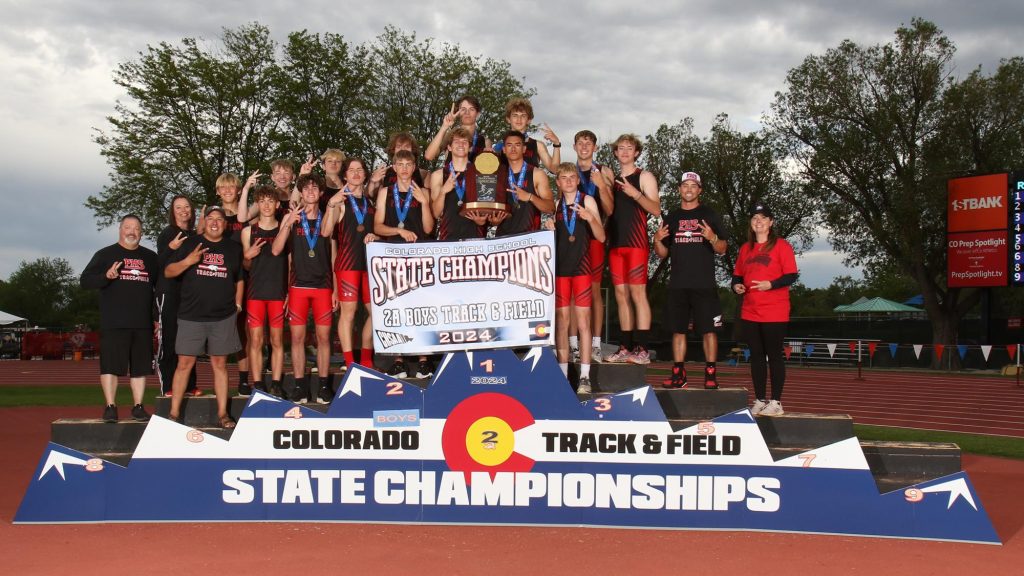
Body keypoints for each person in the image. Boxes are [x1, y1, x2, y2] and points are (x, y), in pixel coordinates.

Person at [164, 207, 243, 428]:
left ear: (225, 224)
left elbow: (239, 278)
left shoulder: (233, 248)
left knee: (220, 364)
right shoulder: (190, 243)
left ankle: (223, 415)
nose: (215, 222)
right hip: (192, 315)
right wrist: (188, 261)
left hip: (223, 316)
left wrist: (238, 303)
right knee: (184, 364)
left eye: (220, 219)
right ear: (204, 222)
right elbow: (168, 271)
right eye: (211, 219)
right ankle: (173, 414)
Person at [80, 215, 159, 423]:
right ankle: (110, 406)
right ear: (120, 230)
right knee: (110, 366)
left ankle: (138, 406)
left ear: (141, 232)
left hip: (142, 323)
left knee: (140, 368)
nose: (132, 231)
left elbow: (157, 291)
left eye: (136, 228)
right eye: (127, 227)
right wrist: (106, 277)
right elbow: (85, 281)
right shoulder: (105, 254)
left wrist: (156, 317)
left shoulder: (151, 258)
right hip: (114, 322)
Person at [653, 171, 728, 389]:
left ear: (699, 190)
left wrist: (712, 238)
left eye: (693, 186)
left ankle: (711, 373)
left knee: (708, 330)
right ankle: (679, 373)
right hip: (678, 284)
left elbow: (722, 249)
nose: (688, 189)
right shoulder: (672, 217)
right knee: (678, 330)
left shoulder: (710, 215)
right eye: (684, 185)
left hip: (704, 284)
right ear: (679, 189)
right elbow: (662, 253)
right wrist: (657, 240)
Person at [273, 173, 337, 404]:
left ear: (321, 193)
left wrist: (336, 289)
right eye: (306, 188)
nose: (310, 192)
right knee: (297, 338)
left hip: (323, 286)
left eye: (314, 188)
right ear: (300, 193)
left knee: (323, 338)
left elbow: (334, 256)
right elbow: (277, 251)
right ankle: (300, 386)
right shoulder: (292, 218)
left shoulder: (328, 216)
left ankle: (322, 386)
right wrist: (286, 225)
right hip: (298, 286)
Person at [373, 149, 435, 379]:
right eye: (400, 164)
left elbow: (429, 229)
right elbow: (377, 226)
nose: (405, 168)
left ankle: (423, 360)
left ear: (414, 167)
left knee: (421, 308)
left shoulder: (423, 191)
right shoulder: (384, 193)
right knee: (395, 309)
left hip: (418, 256)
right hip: (392, 256)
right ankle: (398, 360)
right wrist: (399, 230)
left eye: (409, 164)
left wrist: (424, 204)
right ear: (394, 167)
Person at [732, 204, 798, 416]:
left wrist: (771, 284)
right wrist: (736, 286)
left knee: (774, 355)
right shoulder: (745, 248)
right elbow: (737, 276)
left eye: (763, 218)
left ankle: (776, 402)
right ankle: (760, 399)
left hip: (774, 310)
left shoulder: (782, 246)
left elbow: (791, 275)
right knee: (757, 356)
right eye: (754, 218)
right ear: (750, 224)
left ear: (771, 222)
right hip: (750, 310)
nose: (758, 221)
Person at [545, 164, 605, 394]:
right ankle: (561, 377)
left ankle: (585, 377)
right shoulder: (557, 206)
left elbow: (600, 236)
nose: (569, 181)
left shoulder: (587, 200)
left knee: (583, 322)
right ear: (558, 182)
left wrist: (591, 218)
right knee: (561, 323)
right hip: (561, 270)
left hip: (581, 269)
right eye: (564, 178)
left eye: (572, 177)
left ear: (578, 181)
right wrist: (549, 229)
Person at [605, 134, 660, 364]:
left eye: (630, 148)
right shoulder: (613, 180)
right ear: (616, 153)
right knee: (620, 295)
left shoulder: (644, 176)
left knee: (638, 294)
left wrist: (635, 194)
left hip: (636, 244)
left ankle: (643, 349)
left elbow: (656, 209)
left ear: (636, 152)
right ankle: (625, 347)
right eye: (621, 148)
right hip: (616, 244)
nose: (625, 151)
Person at [326, 158, 379, 371]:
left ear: (365, 175)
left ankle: (366, 357)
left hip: (369, 265)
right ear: (345, 175)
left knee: (377, 312)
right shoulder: (339, 201)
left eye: (360, 170)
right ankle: (350, 362)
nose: (356, 173)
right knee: (348, 313)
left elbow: (377, 229)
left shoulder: (371, 203)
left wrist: (376, 235)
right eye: (351, 170)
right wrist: (331, 205)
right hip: (347, 264)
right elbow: (325, 232)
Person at [568, 130, 615, 363]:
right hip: (573, 237)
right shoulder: (568, 172)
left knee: (594, 291)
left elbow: (610, 209)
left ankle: (596, 344)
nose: (584, 146)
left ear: (595, 147)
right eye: (580, 143)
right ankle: (574, 344)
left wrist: (603, 186)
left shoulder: (603, 171)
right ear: (574, 146)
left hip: (595, 237)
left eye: (589, 143)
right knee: (575, 293)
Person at [241, 186, 288, 397]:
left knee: (277, 341)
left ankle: (276, 382)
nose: (267, 205)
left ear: (277, 204)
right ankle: (258, 382)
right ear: (257, 205)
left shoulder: (284, 228)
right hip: (256, 294)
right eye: (262, 201)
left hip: (277, 293)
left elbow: (290, 263)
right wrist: (248, 256)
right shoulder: (248, 231)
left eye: (271, 201)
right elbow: (245, 265)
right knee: (256, 340)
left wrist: (288, 291)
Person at [155, 196, 200, 398]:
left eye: (186, 207)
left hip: (188, 294)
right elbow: (160, 266)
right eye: (178, 208)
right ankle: (168, 387)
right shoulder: (168, 233)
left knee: (189, 341)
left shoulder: (194, 235)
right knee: (170, 340)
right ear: (173, 212)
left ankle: (190, 385)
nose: (183, 211)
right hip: (169, 292)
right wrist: (171, 248)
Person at [430, 127, 489, 241]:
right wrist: (443, 192)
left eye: (465, 142)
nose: (461, 144)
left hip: (476, 238)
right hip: (449, 239)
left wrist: (482, 220)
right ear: (449, 147)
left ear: (470, 147)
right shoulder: (438, 175)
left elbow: (487, 208)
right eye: (456, 141)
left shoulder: (481, 173)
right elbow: (436, 214)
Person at [494, 130, 555, 237]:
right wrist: (494, 221)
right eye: (509, 145)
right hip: (503, 241)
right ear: (504, 149)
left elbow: (551, 208)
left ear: (524, 149)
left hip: (529, 241)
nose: (513, 149)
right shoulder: (498, 175)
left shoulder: (537, 174)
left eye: (517, 145)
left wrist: (530, 197)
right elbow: (493, 213)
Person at [492, 98, 561, 172]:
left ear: (529, 120)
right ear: (508, 119)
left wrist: (556, 144)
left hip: (532, 183)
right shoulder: (499, 146)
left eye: (523, 116)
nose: (519, 119)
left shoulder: (538, 145)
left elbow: (555, 170)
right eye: (515, 115)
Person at [424, 95, 491, 163]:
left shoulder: (485, 142)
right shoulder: (450, 136)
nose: (467, 113)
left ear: (478, 114)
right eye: (463, 109)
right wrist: (444, 126)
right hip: (451, 173)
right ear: (458, 113)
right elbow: (429, 156)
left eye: (471, 109)